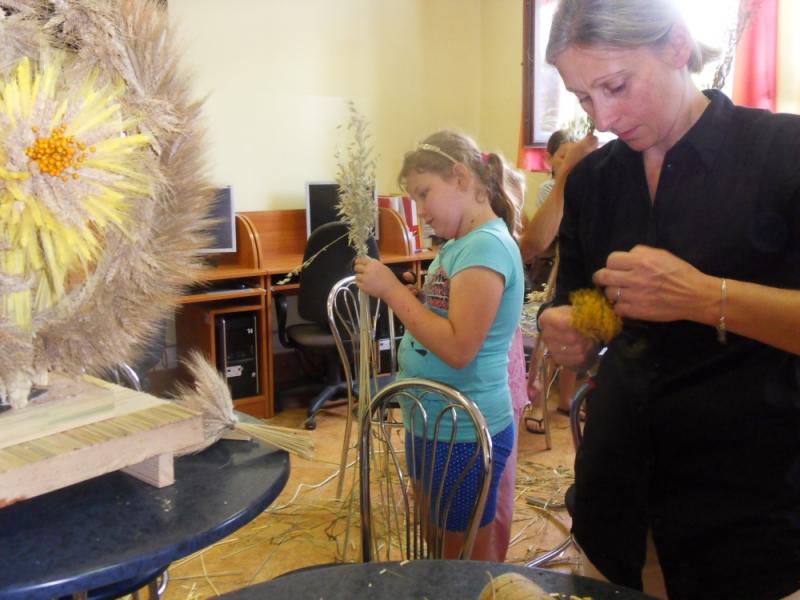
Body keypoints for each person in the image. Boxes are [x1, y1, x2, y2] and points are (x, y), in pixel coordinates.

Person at [537, 1, 800, 598]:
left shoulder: (782, 154)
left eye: (616, 86)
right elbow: (587, 307)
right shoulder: (594, 181)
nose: (604, 117)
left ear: (677, 46)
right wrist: (572, 330)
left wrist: (706, 298)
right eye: (583, 98)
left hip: (752, 519)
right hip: (614, 509)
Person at [354, 130, 524, 561]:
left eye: (424, 193)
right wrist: (422, 299)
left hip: (464, 429)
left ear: (461, 178)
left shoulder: (485, 246)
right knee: (438, 539)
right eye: (415, 199)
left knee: (460, 557)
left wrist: (394, 292)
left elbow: (459, 348)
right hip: (435, 420)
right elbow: (450, 318)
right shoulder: (463, 244)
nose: (421, 210)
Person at [520, 130, 598, 429]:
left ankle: (566, 399)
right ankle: (538, 405)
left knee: (577, 332)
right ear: (550, 158)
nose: (570, 161)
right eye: (563, 156)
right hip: (551, 269)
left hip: (577, 266)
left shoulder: (589, 185)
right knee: (548, 339)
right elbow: (551, 232)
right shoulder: (549, 189)